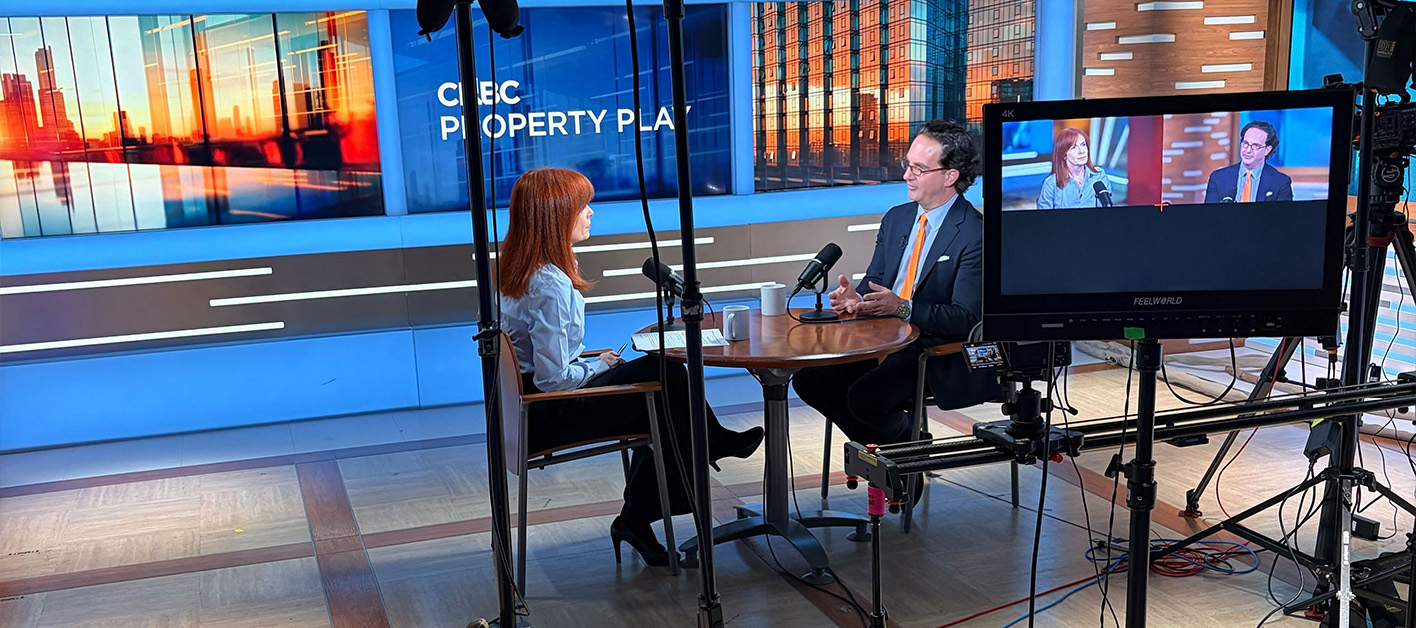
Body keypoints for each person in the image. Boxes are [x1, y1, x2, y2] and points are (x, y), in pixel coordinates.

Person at [498, 168, 763, 568]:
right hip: (549, 414)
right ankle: (651, 503)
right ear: (554, 217)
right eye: (582, 206)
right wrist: (597, 367)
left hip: (531, 411)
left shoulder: (522, 274)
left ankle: (644, 512)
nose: (591, 213)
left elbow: (542, 359)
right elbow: (553, 379)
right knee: (668, 380)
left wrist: (595, 364)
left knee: (664, 390)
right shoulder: (549, 285)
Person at [791, 121, 1004, 449]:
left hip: (934, 349)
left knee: (864, 397)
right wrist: (856, 298)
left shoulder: (974, 233)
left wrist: (903, 308)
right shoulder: (897, 218)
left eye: (919, 169)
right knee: (809, 380)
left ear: (950, 177)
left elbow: (966, 318)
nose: (906, 176)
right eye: (908, 165)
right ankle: (901, 444)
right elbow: (875, 283)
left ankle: (896, 452)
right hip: (882, 338)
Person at [1203, 120, 1293, 203]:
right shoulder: (1218, 178)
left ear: (1267, 150)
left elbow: (1282, 218)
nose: (1248, 150)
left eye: (1255, 146)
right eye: (1245, 144)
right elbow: (1210, 216)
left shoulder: (1280, 183)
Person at [1037, 127, 1112, 209]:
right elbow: (1044, 218)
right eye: (1074, 148)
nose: (1081, 151)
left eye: (1083, 145)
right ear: (1064, 155)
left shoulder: (1099, 175)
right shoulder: (1051, 184)